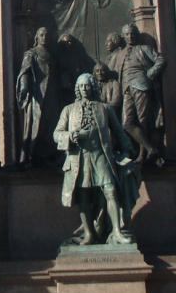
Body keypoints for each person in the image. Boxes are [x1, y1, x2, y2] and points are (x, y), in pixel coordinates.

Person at [54, 73, 136, 245]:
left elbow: (119, 131)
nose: (85, 89)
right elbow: (56, 134)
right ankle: (90, 234)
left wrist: (128, 149)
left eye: (87, 85)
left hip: (101, 156)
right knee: (83, 196)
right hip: (79, 158)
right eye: (81, 86)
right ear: (77, 89)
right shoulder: (68, 110)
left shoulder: (104, 108)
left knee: (111, 191)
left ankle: (116, 232)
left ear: (93, 86)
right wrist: (70, 136)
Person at [113, 24, 166, 162]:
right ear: (123, 36)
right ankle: (150, 149)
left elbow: (160, 60)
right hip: (126, 89)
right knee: (127, 123)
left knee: (143, 121)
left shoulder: (144, 49)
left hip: (141, 86)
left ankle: (142, 155)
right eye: (127, 34)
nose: (130, 36)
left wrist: (151, 73)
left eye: (132, 34)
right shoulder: (120, 54)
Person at [16, 27, 61, 167]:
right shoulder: (31, 53)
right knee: (37, 124)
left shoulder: (51, 55)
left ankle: (49, 155)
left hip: (51, 95)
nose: (44, 37)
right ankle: (31, 156)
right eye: (41, 35)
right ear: (37, 37)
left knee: (51, 125)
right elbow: (25, 71)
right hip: (38, 94)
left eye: (46, 35)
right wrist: (24, 86)